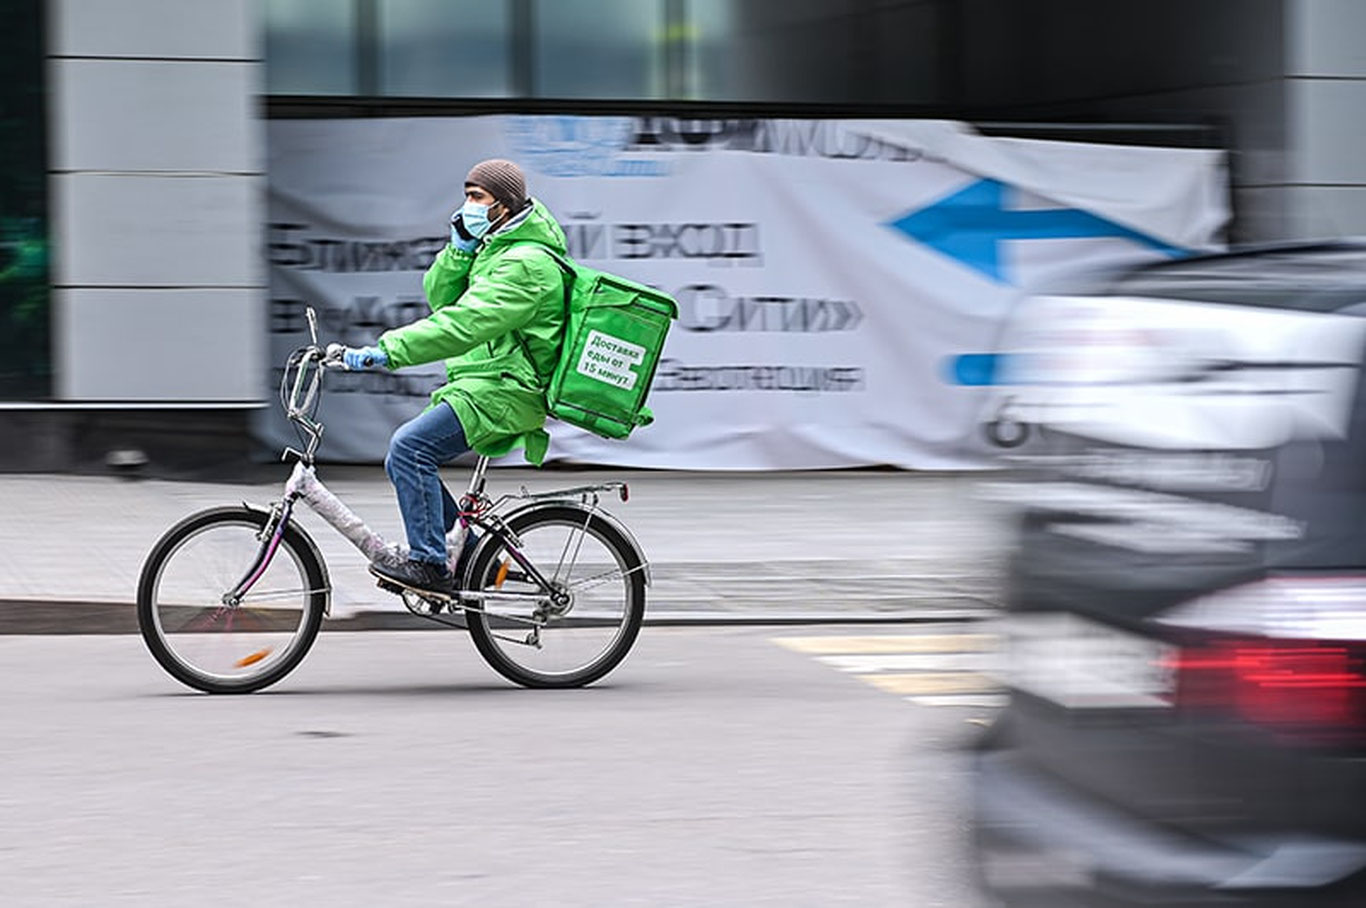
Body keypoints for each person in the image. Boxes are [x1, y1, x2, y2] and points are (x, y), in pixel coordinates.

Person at [342, 159, 567, 597]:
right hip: (484, 382)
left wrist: (387, 351)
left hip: (508, 389)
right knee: (402, 458)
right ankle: (471, 558)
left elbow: (463, 324)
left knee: (409, 449)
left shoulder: (526, 264)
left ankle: (430, 565)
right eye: (466, 195)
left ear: (502, 206)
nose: (466, 205)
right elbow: (443, 300)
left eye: (476, 197)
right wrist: (459, 251)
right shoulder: (495, 251)